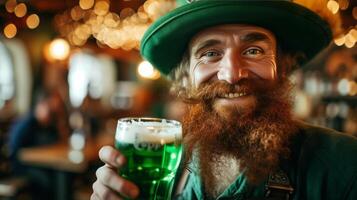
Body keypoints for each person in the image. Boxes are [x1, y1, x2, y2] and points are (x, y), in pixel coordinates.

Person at [91, 0, 357, 199]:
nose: (232, 75)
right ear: (186, 78)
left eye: (253, 50)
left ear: (283, 67)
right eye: (210, 53)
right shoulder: (167, 166)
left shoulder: (344, 167)